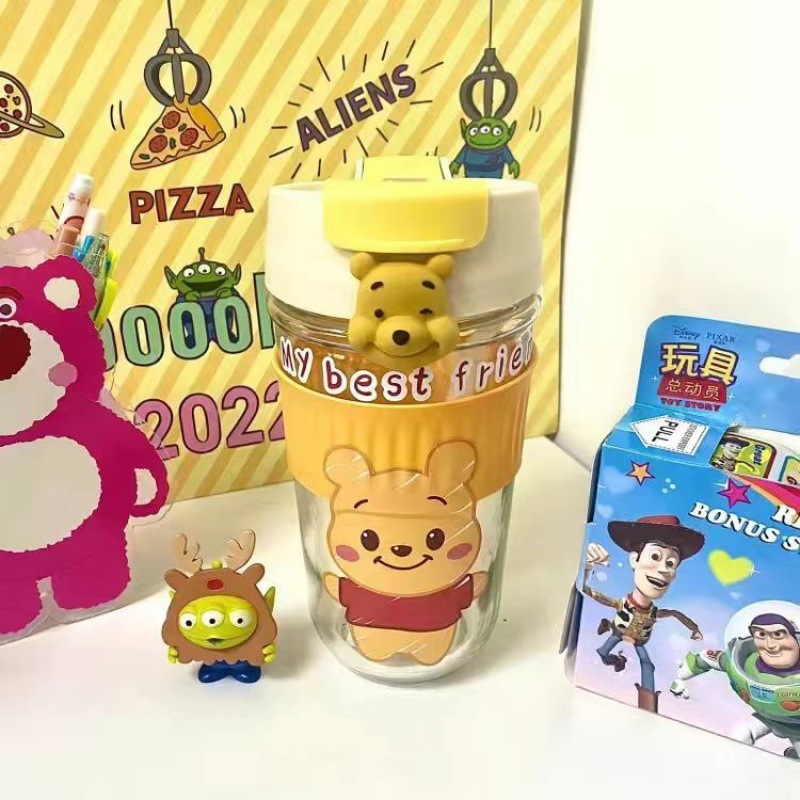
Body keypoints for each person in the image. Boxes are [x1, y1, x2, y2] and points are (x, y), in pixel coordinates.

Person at [583, 514, 705, 713]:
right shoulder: (623, 603)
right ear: (634, 559)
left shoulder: (654, 612)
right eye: (655, 556)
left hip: (639, 640)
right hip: (619, 632)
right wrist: (587, 567)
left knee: (648, 665)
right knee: (603, 652)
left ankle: (648, 706)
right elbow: (592, 593)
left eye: (671, 563)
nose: (664, 570)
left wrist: (694, 628)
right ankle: (616, 658)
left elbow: (675, 613)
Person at [671, 611, 800, 758]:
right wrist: (680, 678)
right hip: (766, 718)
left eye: (778, 634)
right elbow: (706, 658)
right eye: (761, 635)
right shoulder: (743, 663)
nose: (770, 645)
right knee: (740, 735)